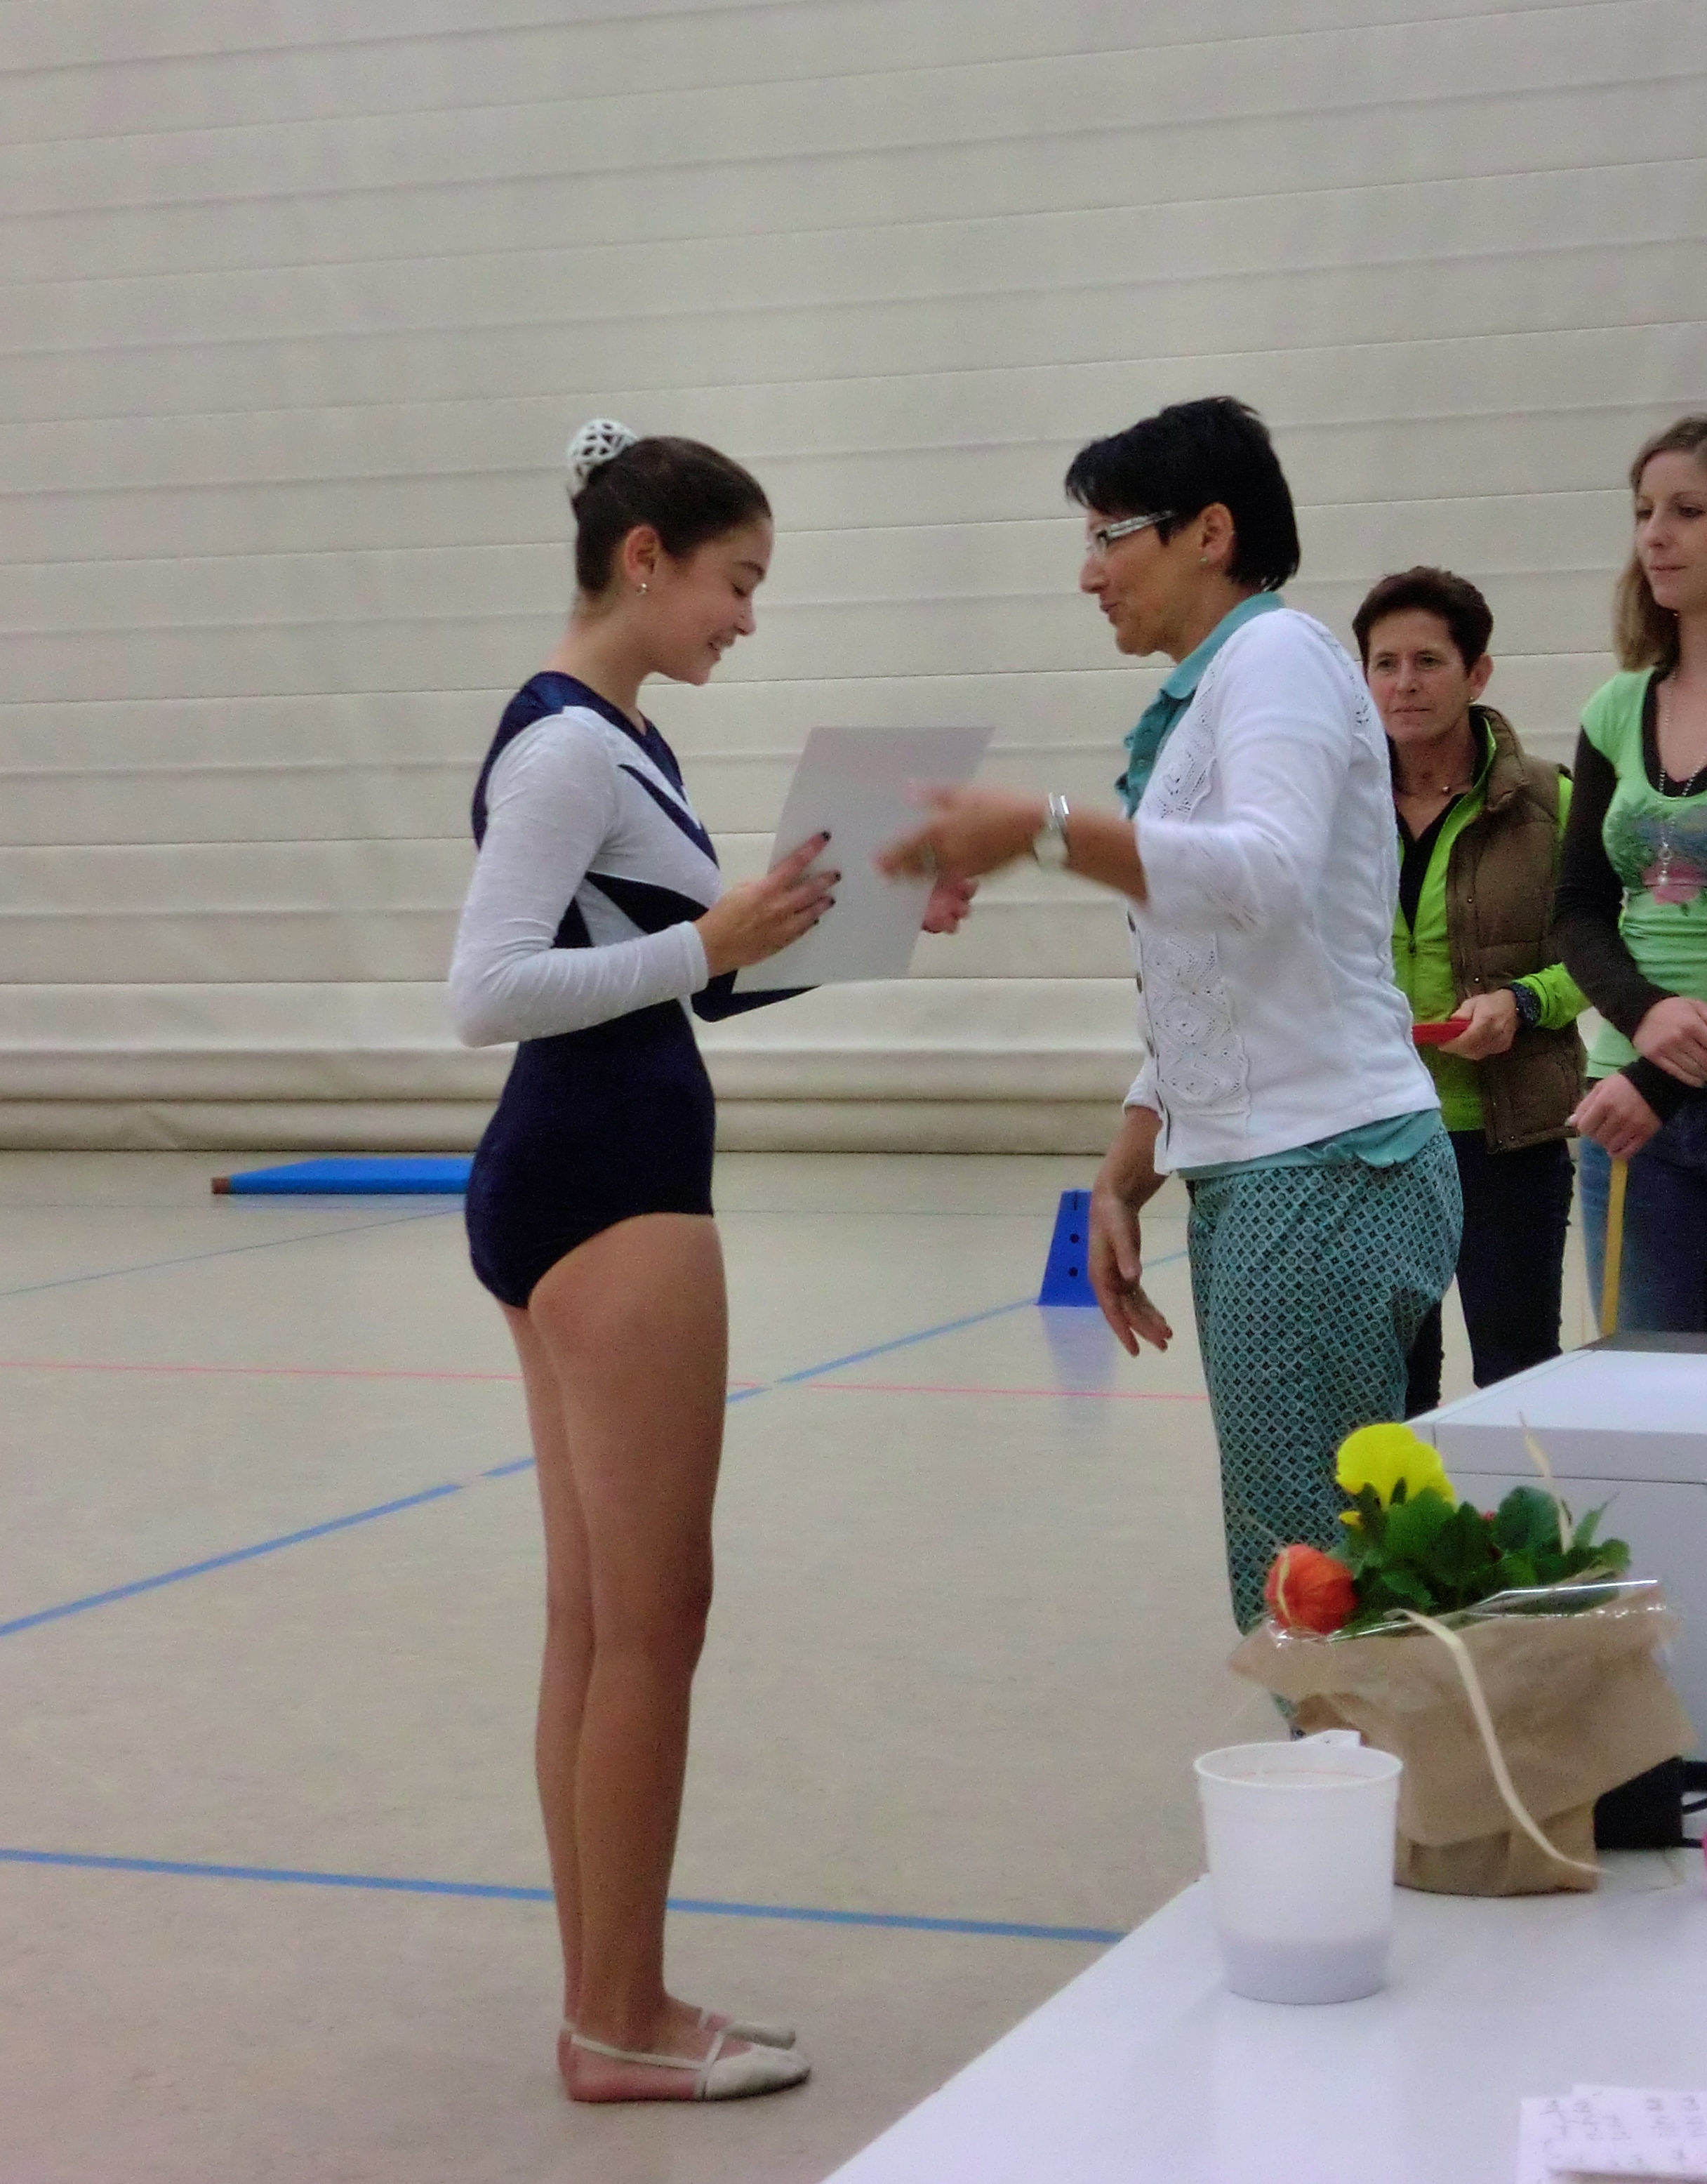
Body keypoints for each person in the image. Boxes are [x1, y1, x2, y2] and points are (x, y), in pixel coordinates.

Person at [449, 422, 970, 2105]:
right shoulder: (567, 752)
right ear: (646, 556)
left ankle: (612, 1996)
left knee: (600, 1620)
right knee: (650, 1623)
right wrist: (704, 939)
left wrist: (855, 915)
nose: (747, 615)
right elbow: (490, 987)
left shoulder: (620, 741)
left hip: (594, 1163)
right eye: (737, 580)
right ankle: (621, 2015)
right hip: (605, 1183)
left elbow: (696, 973)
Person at [879, 397, 1461, 1632]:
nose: (1089, 574)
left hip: (1323, 1173)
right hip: (1287, 1169)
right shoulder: (1221, 690)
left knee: (1311, 1586)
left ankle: (1362, 1813)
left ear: (1209, 531)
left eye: (1110, 536)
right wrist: (1125, 1166)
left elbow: (1259, 877)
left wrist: (1042, 830)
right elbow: (1217, 983)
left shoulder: (1278, 658)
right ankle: (1385, 1811)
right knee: (1326, 1568)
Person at [1352, 567, 1587, 1416]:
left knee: (1516, 1382)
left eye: (1427, 661)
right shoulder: (1330, 806)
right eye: (1384, 664)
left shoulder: (1548, 803)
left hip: (1507, 1142)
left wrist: (1523, 1004)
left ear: (1475, 672)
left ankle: (1523, 1549)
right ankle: (1403, 1554)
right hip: (1374, 1139)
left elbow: (1596, 953)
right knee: (1391, 1390)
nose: (1403, 685)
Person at [1554, 413, 1707, 1332]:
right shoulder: (1617, 708)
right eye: (1644, 510)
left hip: (1643, 1094)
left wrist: (1662, 1077)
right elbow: (1577, 908)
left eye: (1688, 510)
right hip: (1627, 1122)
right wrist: (1644, 1016)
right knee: (1646, 1418)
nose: (1655, 534)